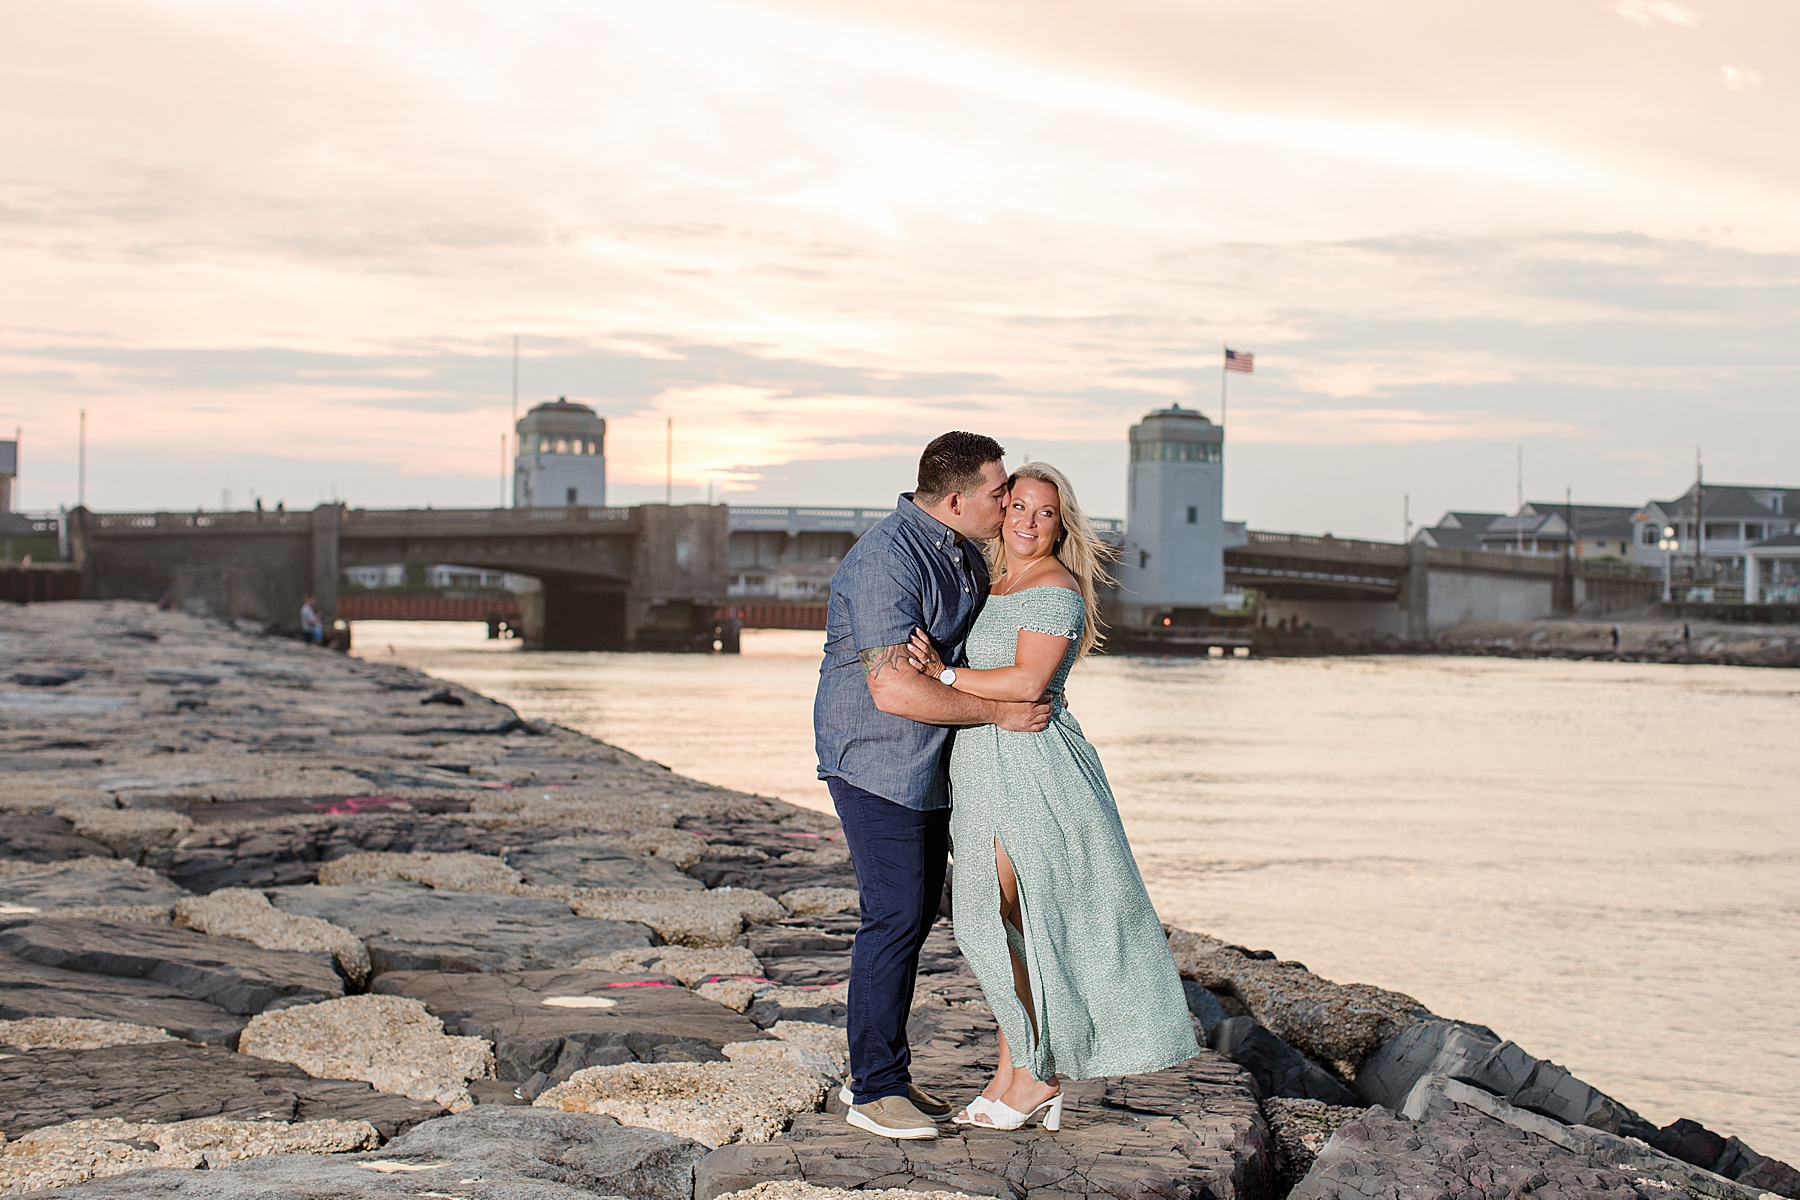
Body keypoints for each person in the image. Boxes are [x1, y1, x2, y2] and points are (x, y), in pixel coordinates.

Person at [903, 462, 1198, 1131]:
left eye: (1045, 513)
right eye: (1019, 508)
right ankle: (1019, 1070)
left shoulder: (1054, 587)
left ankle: (1036, 1075)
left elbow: (1029, 682)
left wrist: (944, 672)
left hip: (1032, 762)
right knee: (999, 924)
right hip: (982, 760)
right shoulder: (995, 579)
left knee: (1010, 919)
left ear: (1061, 524)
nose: (1030, 523)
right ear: (1001, 512)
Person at [813, 432, 1054, 1142]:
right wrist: (1002, 708)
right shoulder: (888, 559)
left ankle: (891, 1075)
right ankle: (872, 1090)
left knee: (914, 920)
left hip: (931, 765)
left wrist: (950, 670)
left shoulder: (959, 554)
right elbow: (892, 688)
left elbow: (955, 660)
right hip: (876, 763)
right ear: (956, 500)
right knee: (892, 919)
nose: (1008, 500)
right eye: (997, 491)